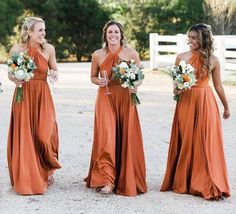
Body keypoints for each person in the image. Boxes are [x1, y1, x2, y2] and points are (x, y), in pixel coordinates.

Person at [160, 23, 230, 200]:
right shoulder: (181, 57)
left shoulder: (213, 60)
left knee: (204, 140)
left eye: (194, 38)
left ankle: (206, 180)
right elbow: (176, 84)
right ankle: (185, 179)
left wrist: (226, 106)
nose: (189, 41)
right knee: (187, 138)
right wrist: (176, 89)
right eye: (189, 37)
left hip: (206, 101)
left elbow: (218, 86)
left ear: (203, 39)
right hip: (186, 101)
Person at [84, 21, 147, 196]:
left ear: (121, 34)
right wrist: (99, 81)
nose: (113, 35)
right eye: (110, 32)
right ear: (105, 34)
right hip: (105, 95)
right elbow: (92, 77)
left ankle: (124, 177)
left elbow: (140, 76)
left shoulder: (131, 53)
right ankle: (107, 179)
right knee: (107, 136)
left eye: (116, 32)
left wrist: (136, 85)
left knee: (126, 135)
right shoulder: (98, 54)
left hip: (126, 97)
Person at [7, 17, 61, 195]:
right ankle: (29, 176)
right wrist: (17, 79)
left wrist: (54, 75)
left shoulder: (49, 49)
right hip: (23, 95)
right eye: (40, 30)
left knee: (45, 134)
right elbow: (10, 74)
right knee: (26, 136)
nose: (43, 33)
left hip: (42, 94)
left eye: (44, 30)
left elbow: (54, 70)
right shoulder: (17, 49)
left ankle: (47, 167)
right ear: (29, 32)